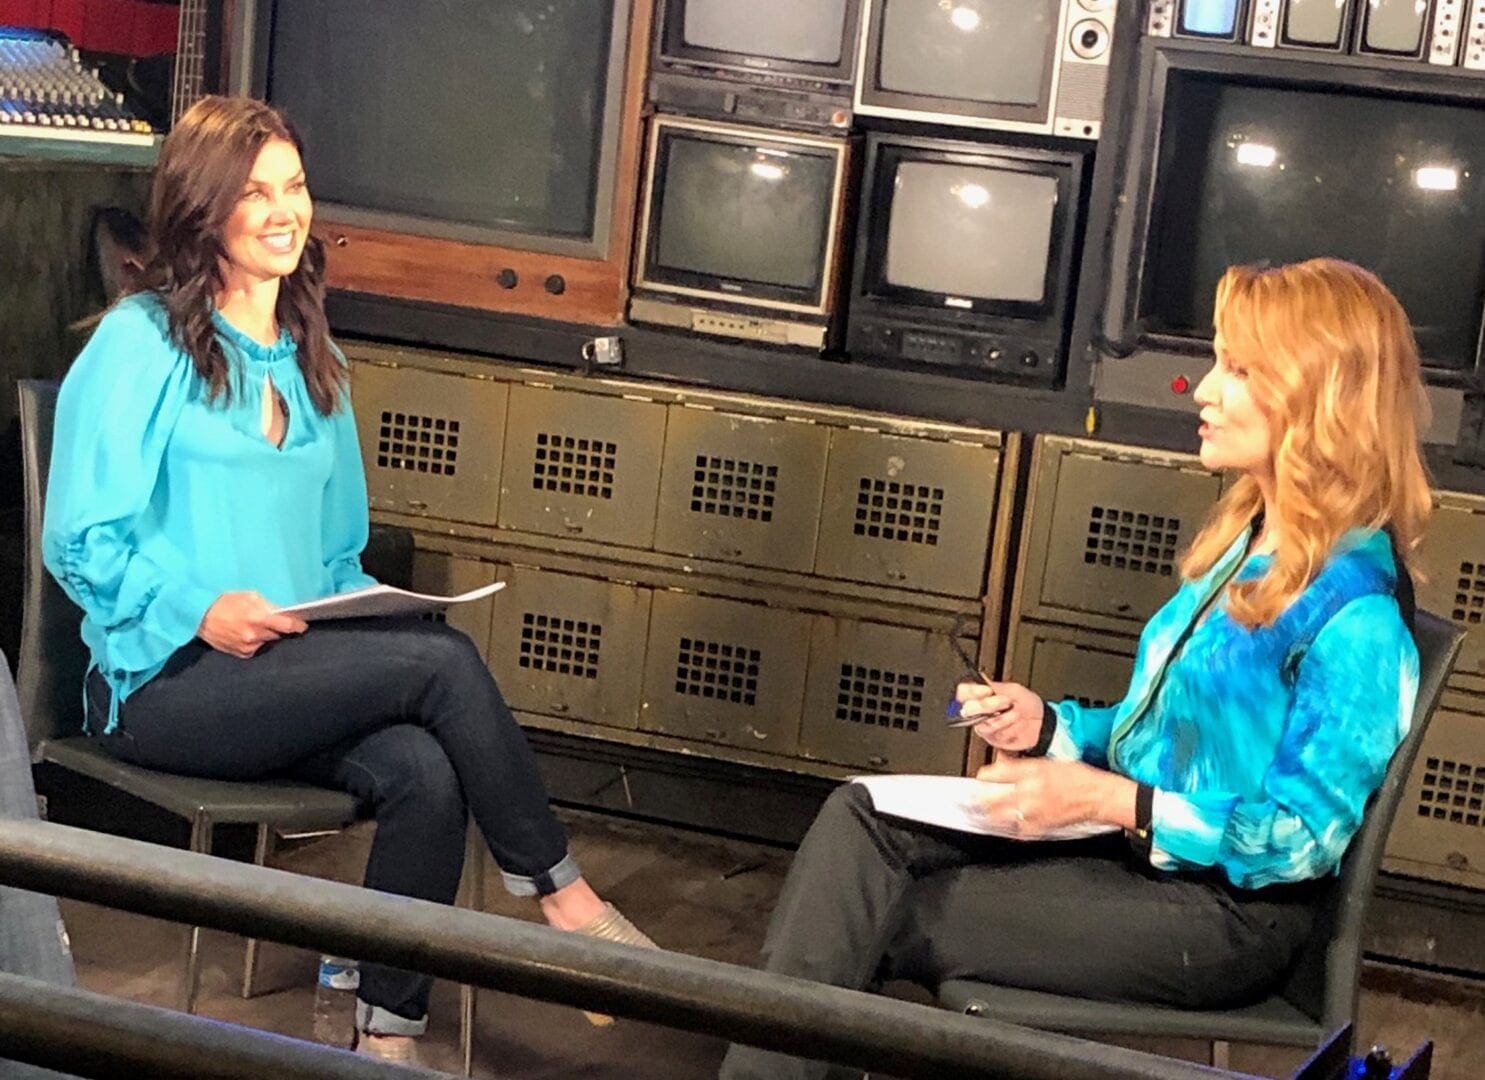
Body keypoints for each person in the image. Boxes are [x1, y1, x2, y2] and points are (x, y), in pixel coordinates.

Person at [43, 95, 653, 1065]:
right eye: (256, 192)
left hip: (282, 674)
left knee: (424, 764)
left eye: (294, 187)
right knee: (443, 668)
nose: (286, 211)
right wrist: (199, 609)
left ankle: (387, 1036)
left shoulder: (313, 358)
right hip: (160, 684)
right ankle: (567, 900)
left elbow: (335, 555)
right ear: (205, 211)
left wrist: (364, 610)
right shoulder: (140, 344)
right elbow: (77, 538)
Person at [718, 257, 1432, 1079]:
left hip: (1223, 918)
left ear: (1320, 397)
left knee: (872, 915)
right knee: (857, 822)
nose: (1201, 391)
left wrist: (1110, 799)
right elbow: (1160, 739)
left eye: (1237, 370)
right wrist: (1051, 726)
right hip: (1130, 860)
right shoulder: (1245, 545)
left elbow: (1300, 841)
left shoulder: (1358, 620)